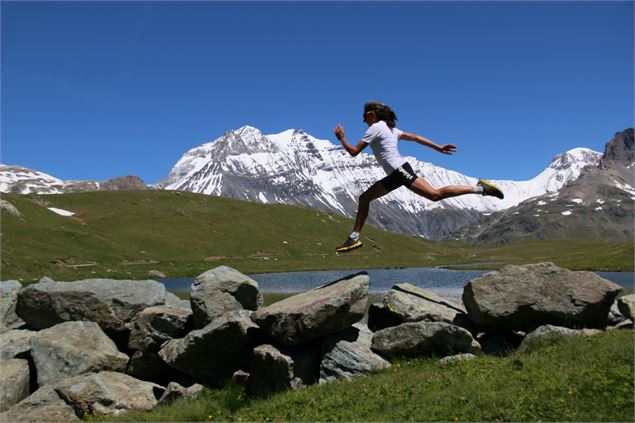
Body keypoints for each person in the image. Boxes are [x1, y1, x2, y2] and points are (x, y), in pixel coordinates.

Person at [333, 101, 504, 253]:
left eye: (364, 116)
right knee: (364, 198)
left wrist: (342, 138)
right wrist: (438, 147)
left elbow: (354, 152)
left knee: (435, 195)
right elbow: (414, 137)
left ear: (371, 115)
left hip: (399, 171)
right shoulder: (392, 130)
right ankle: (354, 238)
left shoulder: (375, 128)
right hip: (395, 174)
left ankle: (481, 188)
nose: (363, 120)